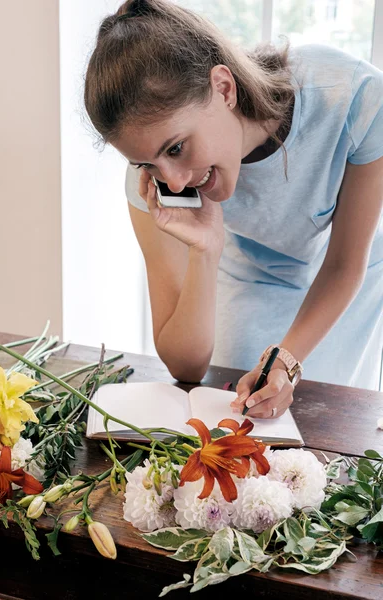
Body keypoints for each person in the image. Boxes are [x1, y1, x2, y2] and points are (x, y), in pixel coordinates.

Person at [84, 0, 383, 420]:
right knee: (237, 412)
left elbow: (344, 265)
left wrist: (287, 360)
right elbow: (185, 366)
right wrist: (206, 250)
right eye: (146, 162)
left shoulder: (355, 99)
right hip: (246, 272)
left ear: (223, 89)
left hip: (344, 276)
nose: (172, 181)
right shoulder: (155, 185)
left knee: (329, 425)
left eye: (176, 148)